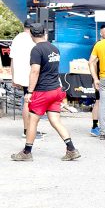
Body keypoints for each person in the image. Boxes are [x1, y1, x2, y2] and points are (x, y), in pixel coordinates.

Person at [11, 23, 80, 161]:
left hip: (42, 92)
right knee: (55, 121)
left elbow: (35, 71)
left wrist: (29, 92)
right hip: (55, 90)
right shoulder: (54, 48)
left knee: (32, 121)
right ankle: (71, 149)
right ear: (44, 33)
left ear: (31, 34)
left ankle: (26, 152)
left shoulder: (36, 50)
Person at [10, 19, 43, 140]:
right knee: (28, 102)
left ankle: (29, 129)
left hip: (20, 75)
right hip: (30, 74)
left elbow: (12, 60)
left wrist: (13, 77)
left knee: (27, 100)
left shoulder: (17, 38)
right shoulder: (32, 40)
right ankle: (27, 130)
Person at [89, 24, 105, 137]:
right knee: (99, 102)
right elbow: (92, 63)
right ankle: (94, 126)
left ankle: (103, 124)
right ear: (101, 33)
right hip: (99, 78)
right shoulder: (98, 45)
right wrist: (95, 79)